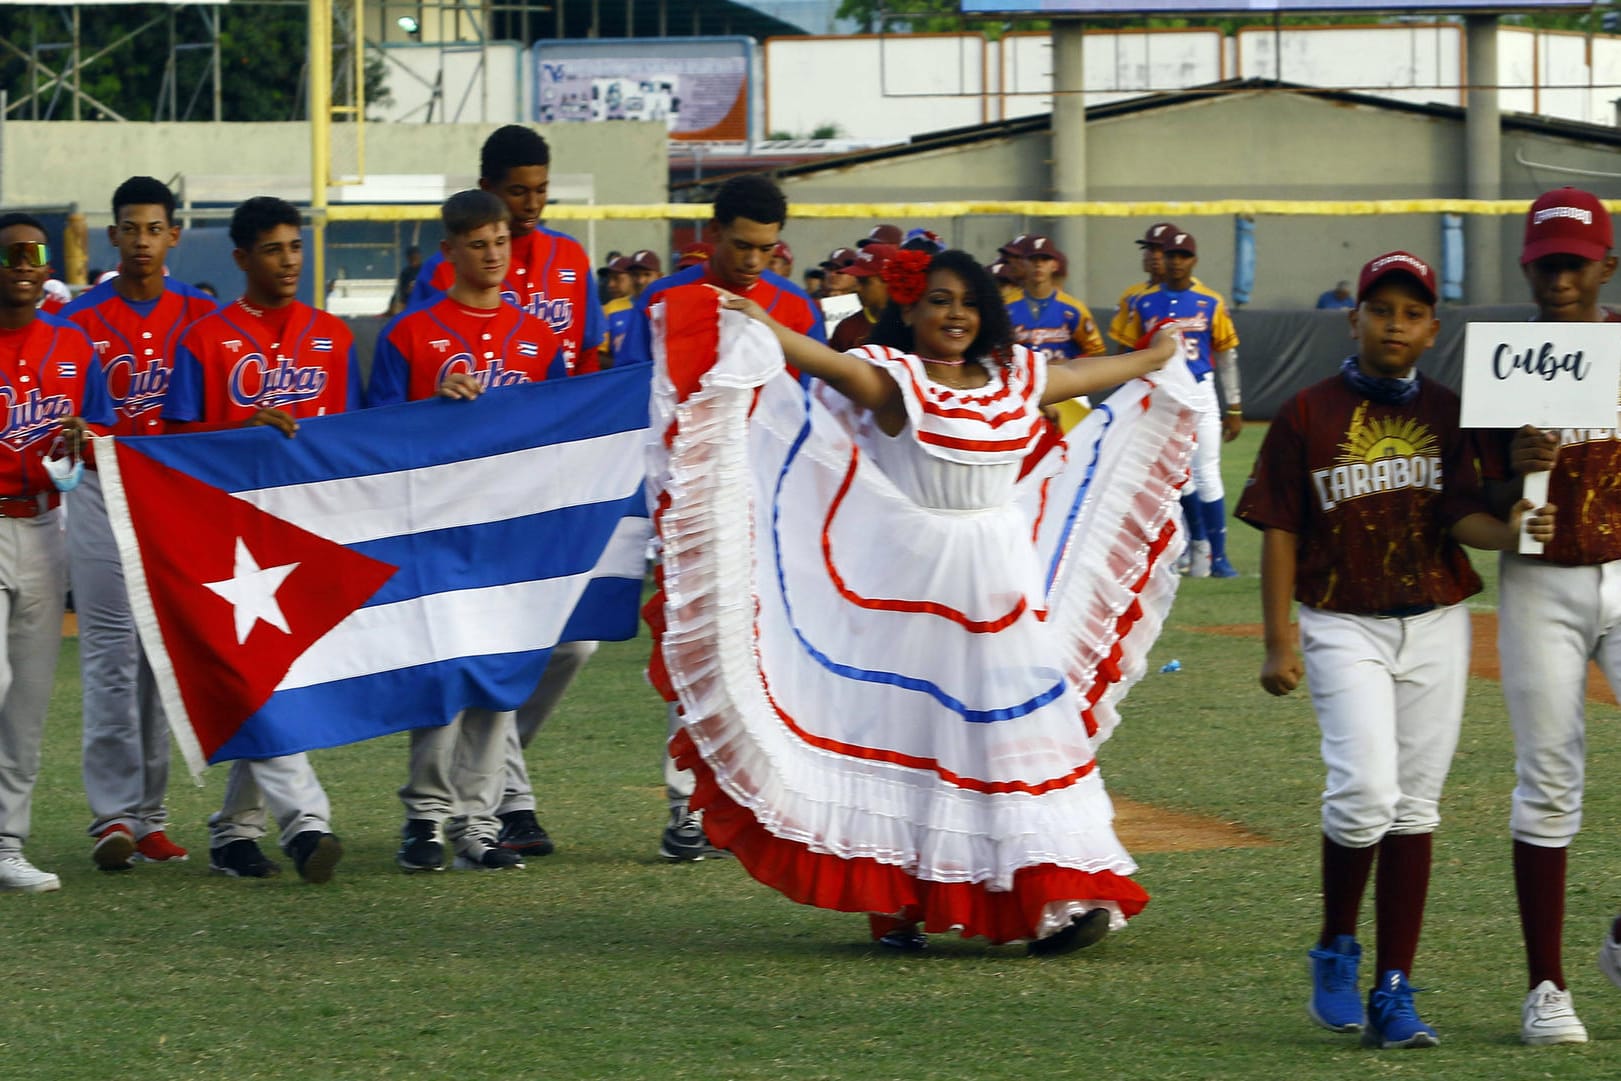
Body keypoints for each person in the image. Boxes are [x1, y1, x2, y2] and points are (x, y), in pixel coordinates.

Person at [645, 246, 1192, 952]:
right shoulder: (898, 379)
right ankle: (897, 905)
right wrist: (764, 326)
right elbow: (831, 366)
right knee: (911, 743)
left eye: (965, 301)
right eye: (937, 299)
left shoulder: (1012, 377)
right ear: (911, 310)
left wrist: (1150, 360)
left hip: (1002, 590)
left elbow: (1081, 374)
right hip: (915, 591)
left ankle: (1064, 891)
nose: (953, 313)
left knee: (1025, 741)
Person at [1238, 250, 1552, 1050]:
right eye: (1381, 309)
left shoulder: (1448, 410)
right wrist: (1278, 639)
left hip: (1437, 617)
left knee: (1414, 805)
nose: (1395, 325)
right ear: (1355, 319)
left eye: (1411, 313)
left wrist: (1511, 528)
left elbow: (1461, 517)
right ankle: (1335, 945)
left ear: (1430, 329)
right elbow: (1280, 528)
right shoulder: (1309, 410)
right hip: (1340, 616)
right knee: (1363, 793)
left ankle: (1392, 986)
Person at [616, 172, 825, 861]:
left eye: (765, 248)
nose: (752, 260)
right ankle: (686, 808)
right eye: (740, 245)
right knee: (695, 651)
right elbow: (626, 406)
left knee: (772, 656)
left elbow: (817, 412)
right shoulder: (663, 302)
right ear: (710, 236)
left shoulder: (794, 307)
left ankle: (762, 798)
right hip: (685, 511)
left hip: (771, 511)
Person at [161, 196, 361, 884]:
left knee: (281, 675)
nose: (288, 261)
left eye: (295, 247)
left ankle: (233, 830)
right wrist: (241, 426)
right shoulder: (203, 339)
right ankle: (306, 822)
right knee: (258, 677)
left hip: (310, 527)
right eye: (273, 249)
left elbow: (358, 438)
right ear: (241, 257)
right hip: (228, 533)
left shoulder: (333, 337)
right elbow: (174, 443)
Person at [368, 189, 566, 873]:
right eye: (477, 243)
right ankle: (425, 819)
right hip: (435, 529)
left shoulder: (539, 338)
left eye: (502, 241)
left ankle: (479, 822)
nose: (492, 255)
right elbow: (376, 434)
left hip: (511, 534)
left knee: (499, 676)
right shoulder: (410, 333)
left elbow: (563, 435)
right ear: (448, 250)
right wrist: (432, 405)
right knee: (446, 674)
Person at [1478, 187, 1621, 1046]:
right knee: (1548, 777)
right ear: (1528, 268)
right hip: (1537, 580)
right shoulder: (1506, 358)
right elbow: (1473, 495)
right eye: (1546, 263)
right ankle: (1544, 987)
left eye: (1574, 261)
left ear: (1605, 264)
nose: (1560, 278)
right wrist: (1508, 467)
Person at [59, 175, 218, 872]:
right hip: (99, 487)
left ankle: (151, 816)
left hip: (173, 494)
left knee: (163, 660)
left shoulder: (200, 314)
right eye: (131, 227)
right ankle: (113, 817)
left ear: (173, 235)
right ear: (113, 234)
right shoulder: (81, 318)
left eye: (155, 228)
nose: (143, 239)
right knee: (108, 653)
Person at [0, 212, 115, 894]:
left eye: (34, 252)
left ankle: (7, 842)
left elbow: (100, 430)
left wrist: (84, 436)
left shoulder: (73, 345)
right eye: (11, 251)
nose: (24, 261)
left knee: (30, 699)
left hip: (46, 526)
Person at [409, 125, 605, 377]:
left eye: (541, 190)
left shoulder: (571, 254)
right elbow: (416, 359)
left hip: (558, 410)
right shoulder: (444, 269)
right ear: (487, 187)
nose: (532, 205)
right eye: (518, 192)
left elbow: (587, 355)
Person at [1117, 229, 1243, 578]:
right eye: (1169, 255)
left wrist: (1234, 405)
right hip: (1161, 393)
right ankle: (1195, 541)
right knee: (1174, 474)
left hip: (1200, 390)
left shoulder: (1211, 301)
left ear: (1193, 260)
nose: (1174, 261)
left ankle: (1218, 556)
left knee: (1206, 471)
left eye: (1181, 255)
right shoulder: (1141, 301)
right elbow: (1127, 354)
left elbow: (1227, 356)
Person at [1005, 235, 1106, 363]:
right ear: (1023, 264)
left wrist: (1070, 364)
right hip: (1022, 380)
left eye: (1045, 259)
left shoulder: (1074, 308)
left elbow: (1097, 352)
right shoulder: (1006, 306)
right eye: (1032, 259)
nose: (1038, 264)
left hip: (1063, 380)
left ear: (1055, 265)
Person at [828, 243, 894, 351]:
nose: (857, 288)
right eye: (857, 280)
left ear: (887, 280)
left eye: (864, 281)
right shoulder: (846, 329)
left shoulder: (911, 325)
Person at [387, 245, 423, 315]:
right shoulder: (406, 272)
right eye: (412, 258)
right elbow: (399, 291)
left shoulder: (426, 270)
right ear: (408, 258)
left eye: (416, 257)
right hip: (407, 302)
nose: (414, 260)